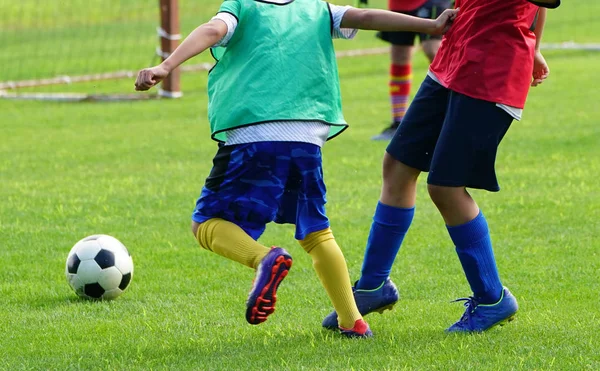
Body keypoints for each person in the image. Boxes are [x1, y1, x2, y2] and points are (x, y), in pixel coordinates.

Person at [134, 0, 458, 338]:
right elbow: (363, 16)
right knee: (317, 231)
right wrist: (432, 26)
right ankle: (353, 322)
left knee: (205, 223)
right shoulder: (316, 8)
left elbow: (214, 29)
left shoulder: (241, 7)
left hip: (253, 134)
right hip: (307, 136)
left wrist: (166, 65)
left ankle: (264, 259)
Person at [323, 0, 561, 333]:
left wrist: (533, 43)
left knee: (446, 186)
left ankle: (493, 298)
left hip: (494, 69)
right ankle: (374, 286)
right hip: (454, 57)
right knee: (397, 165)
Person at [370, 0, 453, 141]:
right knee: (399, 56)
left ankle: (454, 116)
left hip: (429, 2)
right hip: (399, 5)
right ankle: (398, 122)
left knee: (433, 49)